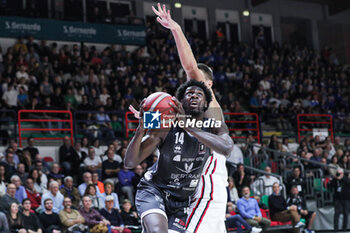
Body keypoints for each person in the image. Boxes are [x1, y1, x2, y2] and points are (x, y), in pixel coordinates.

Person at [125, 79, 233, 233]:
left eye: (199, 94)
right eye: (189, 93)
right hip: (155, 190)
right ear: (180, 102)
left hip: (182, 201)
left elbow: (227, 148)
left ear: (206, 104)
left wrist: (189, 127)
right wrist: (141, 129)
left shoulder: (215, 126)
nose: (194, 96)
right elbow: (130, 162)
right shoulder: (166, 123)